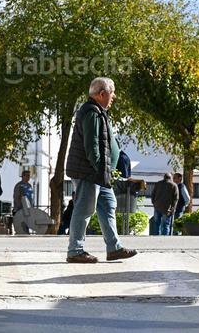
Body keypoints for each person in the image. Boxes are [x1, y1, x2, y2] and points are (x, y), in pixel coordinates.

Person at [65, 77, 138, 263]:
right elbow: (92, 146)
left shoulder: (98, 112)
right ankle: (75, 250)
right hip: (90, 172)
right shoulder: (91, 113)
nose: (114, 97)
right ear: (102, 94)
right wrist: (100, 169)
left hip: (99, 173)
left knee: (108, 205)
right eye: (112, 93)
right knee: (84, 209)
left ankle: (114, 248)